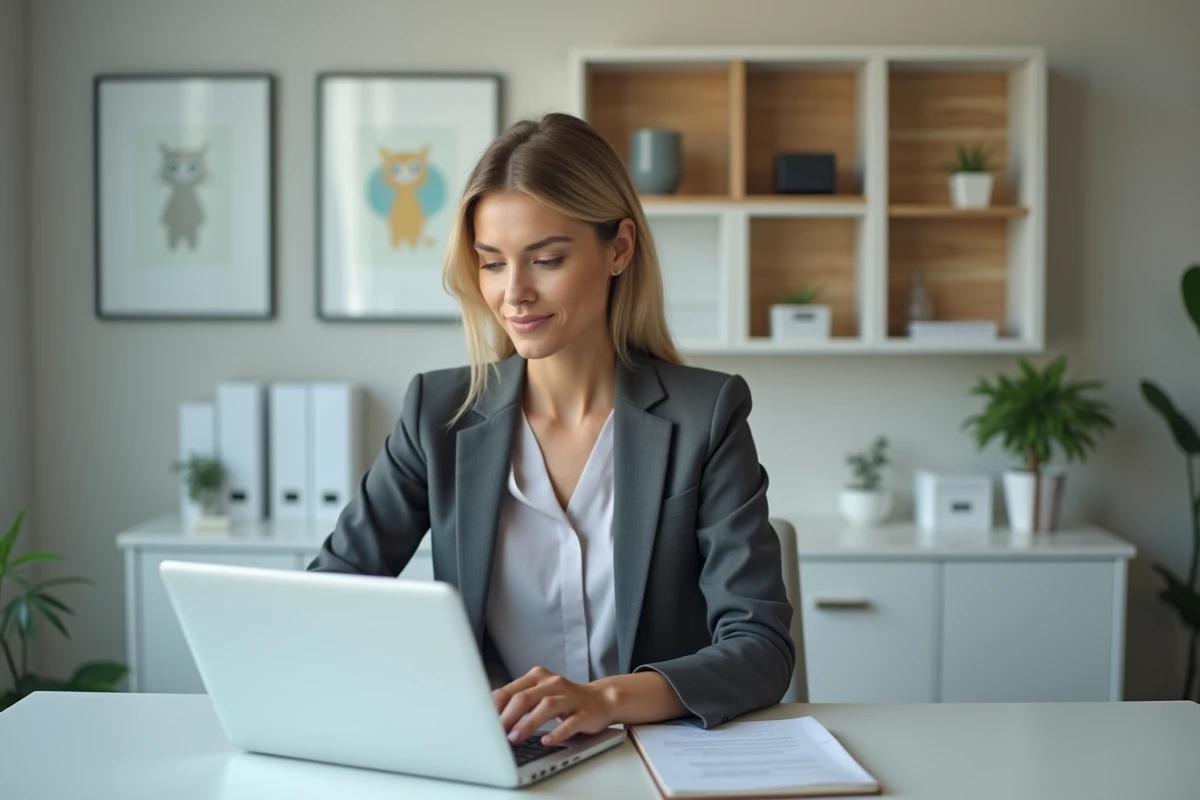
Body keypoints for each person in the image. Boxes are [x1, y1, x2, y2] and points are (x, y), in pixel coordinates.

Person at [308, 112, 794, 748]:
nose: (514, 294)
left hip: (652, 757)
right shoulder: (439, 412)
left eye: (546, 260)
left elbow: (760, 648)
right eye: (491, 263)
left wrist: (603, 699)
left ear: (619, 248)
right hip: (495, 759)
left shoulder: (706, 414)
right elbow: (330, 599)